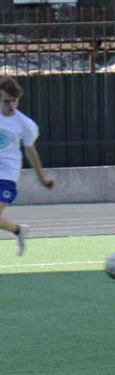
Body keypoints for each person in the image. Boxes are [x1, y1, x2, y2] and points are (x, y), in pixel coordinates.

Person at [0, 76, 52, 256]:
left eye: (14, 101)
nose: (11, 106)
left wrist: (42, 178)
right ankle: (18, 230)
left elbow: (31, 151)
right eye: (7, 101)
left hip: (7, 175)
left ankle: (18, 231)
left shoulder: (25, 124)